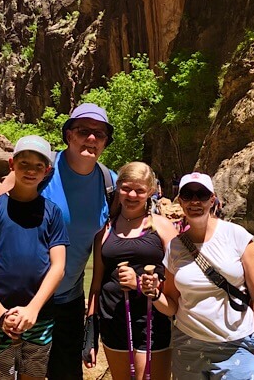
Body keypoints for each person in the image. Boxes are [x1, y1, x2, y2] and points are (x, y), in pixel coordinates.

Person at [0, 103, 116, 379]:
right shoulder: (42, 166)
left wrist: (95, 297)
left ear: (105, 142)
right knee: (11, 372)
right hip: (20, 298)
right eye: (83, 131)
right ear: (69, 135)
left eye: (99, 134)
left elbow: (109, 237)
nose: (91, 138)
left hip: (67, 298)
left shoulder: (108, 182)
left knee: (65, 373)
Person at [141, 172, 254, 380]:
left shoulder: (237, 236)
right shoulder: (175, 247)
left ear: (212, 199)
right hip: (188, 344)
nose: (195, 201)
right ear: (180, 200)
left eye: (202, 195)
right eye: (188, 194)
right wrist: (153, 293)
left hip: (236, 344)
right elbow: (172, 305)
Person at [0, 135, 69, 379]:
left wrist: (32, 310)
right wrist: (0, 314)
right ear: (11, 164)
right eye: (24, 163)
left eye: (38, 166)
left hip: (40, 315)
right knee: (2, 373)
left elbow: (58, 267)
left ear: (47, 171)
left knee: (34, 373)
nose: (30, 170)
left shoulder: (52, 212)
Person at [85, 162, 177, 379]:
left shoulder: (163, 227)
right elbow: (96, 284)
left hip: (153, 320)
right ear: (118, 187)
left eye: (139, 190)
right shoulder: (106, 230)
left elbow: (177, 283)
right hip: (113, 320)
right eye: (126, 188)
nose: (132, 195)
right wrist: (91, 330)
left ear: (151, 192)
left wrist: (140, 284)